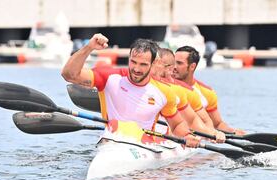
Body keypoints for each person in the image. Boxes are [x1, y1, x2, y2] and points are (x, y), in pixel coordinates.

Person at [61, 33, 200, 147]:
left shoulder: (164, 92)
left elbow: (177, 124)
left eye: (143, 65)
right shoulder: (109, 77)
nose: (136, 69)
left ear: (152, 65)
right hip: (111, 139)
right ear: (129, 59)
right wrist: (89, 47)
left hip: (145, 147)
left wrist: (187, 136)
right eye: (133, 62)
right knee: (116, 125)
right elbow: (69, 75)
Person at [151, 48, 226, 143]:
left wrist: (212, 134)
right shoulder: (135, 82)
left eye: (154, 64)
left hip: (166, 138)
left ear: (169, 69)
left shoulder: (184, 91)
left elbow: (196, 121)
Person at [173, 46, 245, 135]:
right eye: (173, 63)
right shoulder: (163, 85)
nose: (174, 67)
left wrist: (232, 132)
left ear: (192, 66)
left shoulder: (207, 93)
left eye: (179, 63)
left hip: (193, 138)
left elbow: (217, 124)